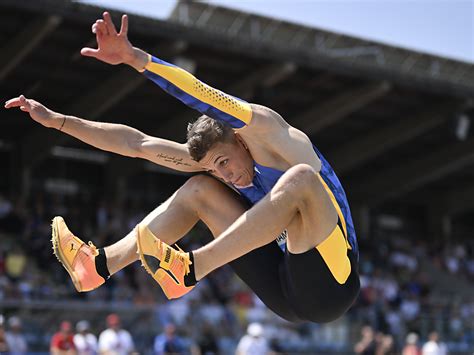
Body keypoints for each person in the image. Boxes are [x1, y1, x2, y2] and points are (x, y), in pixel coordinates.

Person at [4, 11, 359, 323]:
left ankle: (191, 267)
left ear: (240, 139)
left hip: (333, 284)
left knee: (301, 180)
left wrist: (136, 58)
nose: (227, 176)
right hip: (283, 288)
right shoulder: (217, 165)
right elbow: (136, 144)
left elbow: (205, 95)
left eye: (223, 162)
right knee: (198, 189)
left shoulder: (270, 133)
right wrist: (59, 121)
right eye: (217, 168)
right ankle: (98, 266)